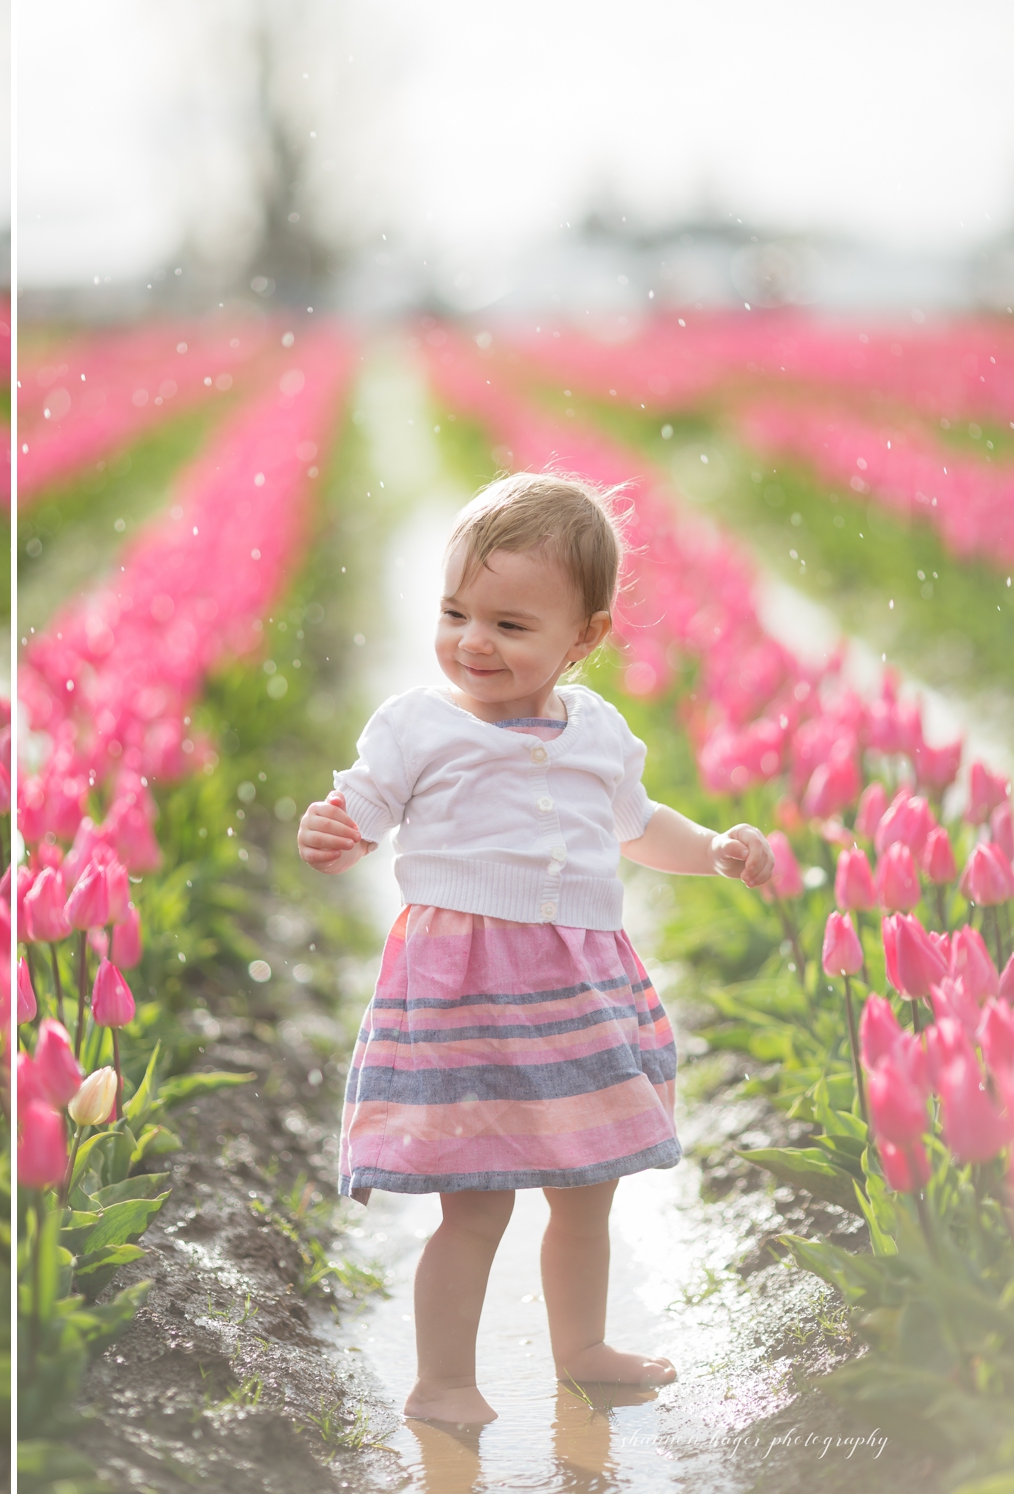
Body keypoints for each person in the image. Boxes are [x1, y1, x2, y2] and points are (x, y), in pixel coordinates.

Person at [297, 471, 774, 1424]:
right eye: (455, 612)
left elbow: (638, 825)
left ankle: (584, 1346)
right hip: (464, 988)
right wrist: (335, 832)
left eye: (510, 626)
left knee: (587, 1185)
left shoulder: (597, 729)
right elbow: (364, 811)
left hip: (575, 987)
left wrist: (716, 852)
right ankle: (441, 1381)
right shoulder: (415, 727)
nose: (473, 641)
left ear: (583, 638)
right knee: (475, 1200)